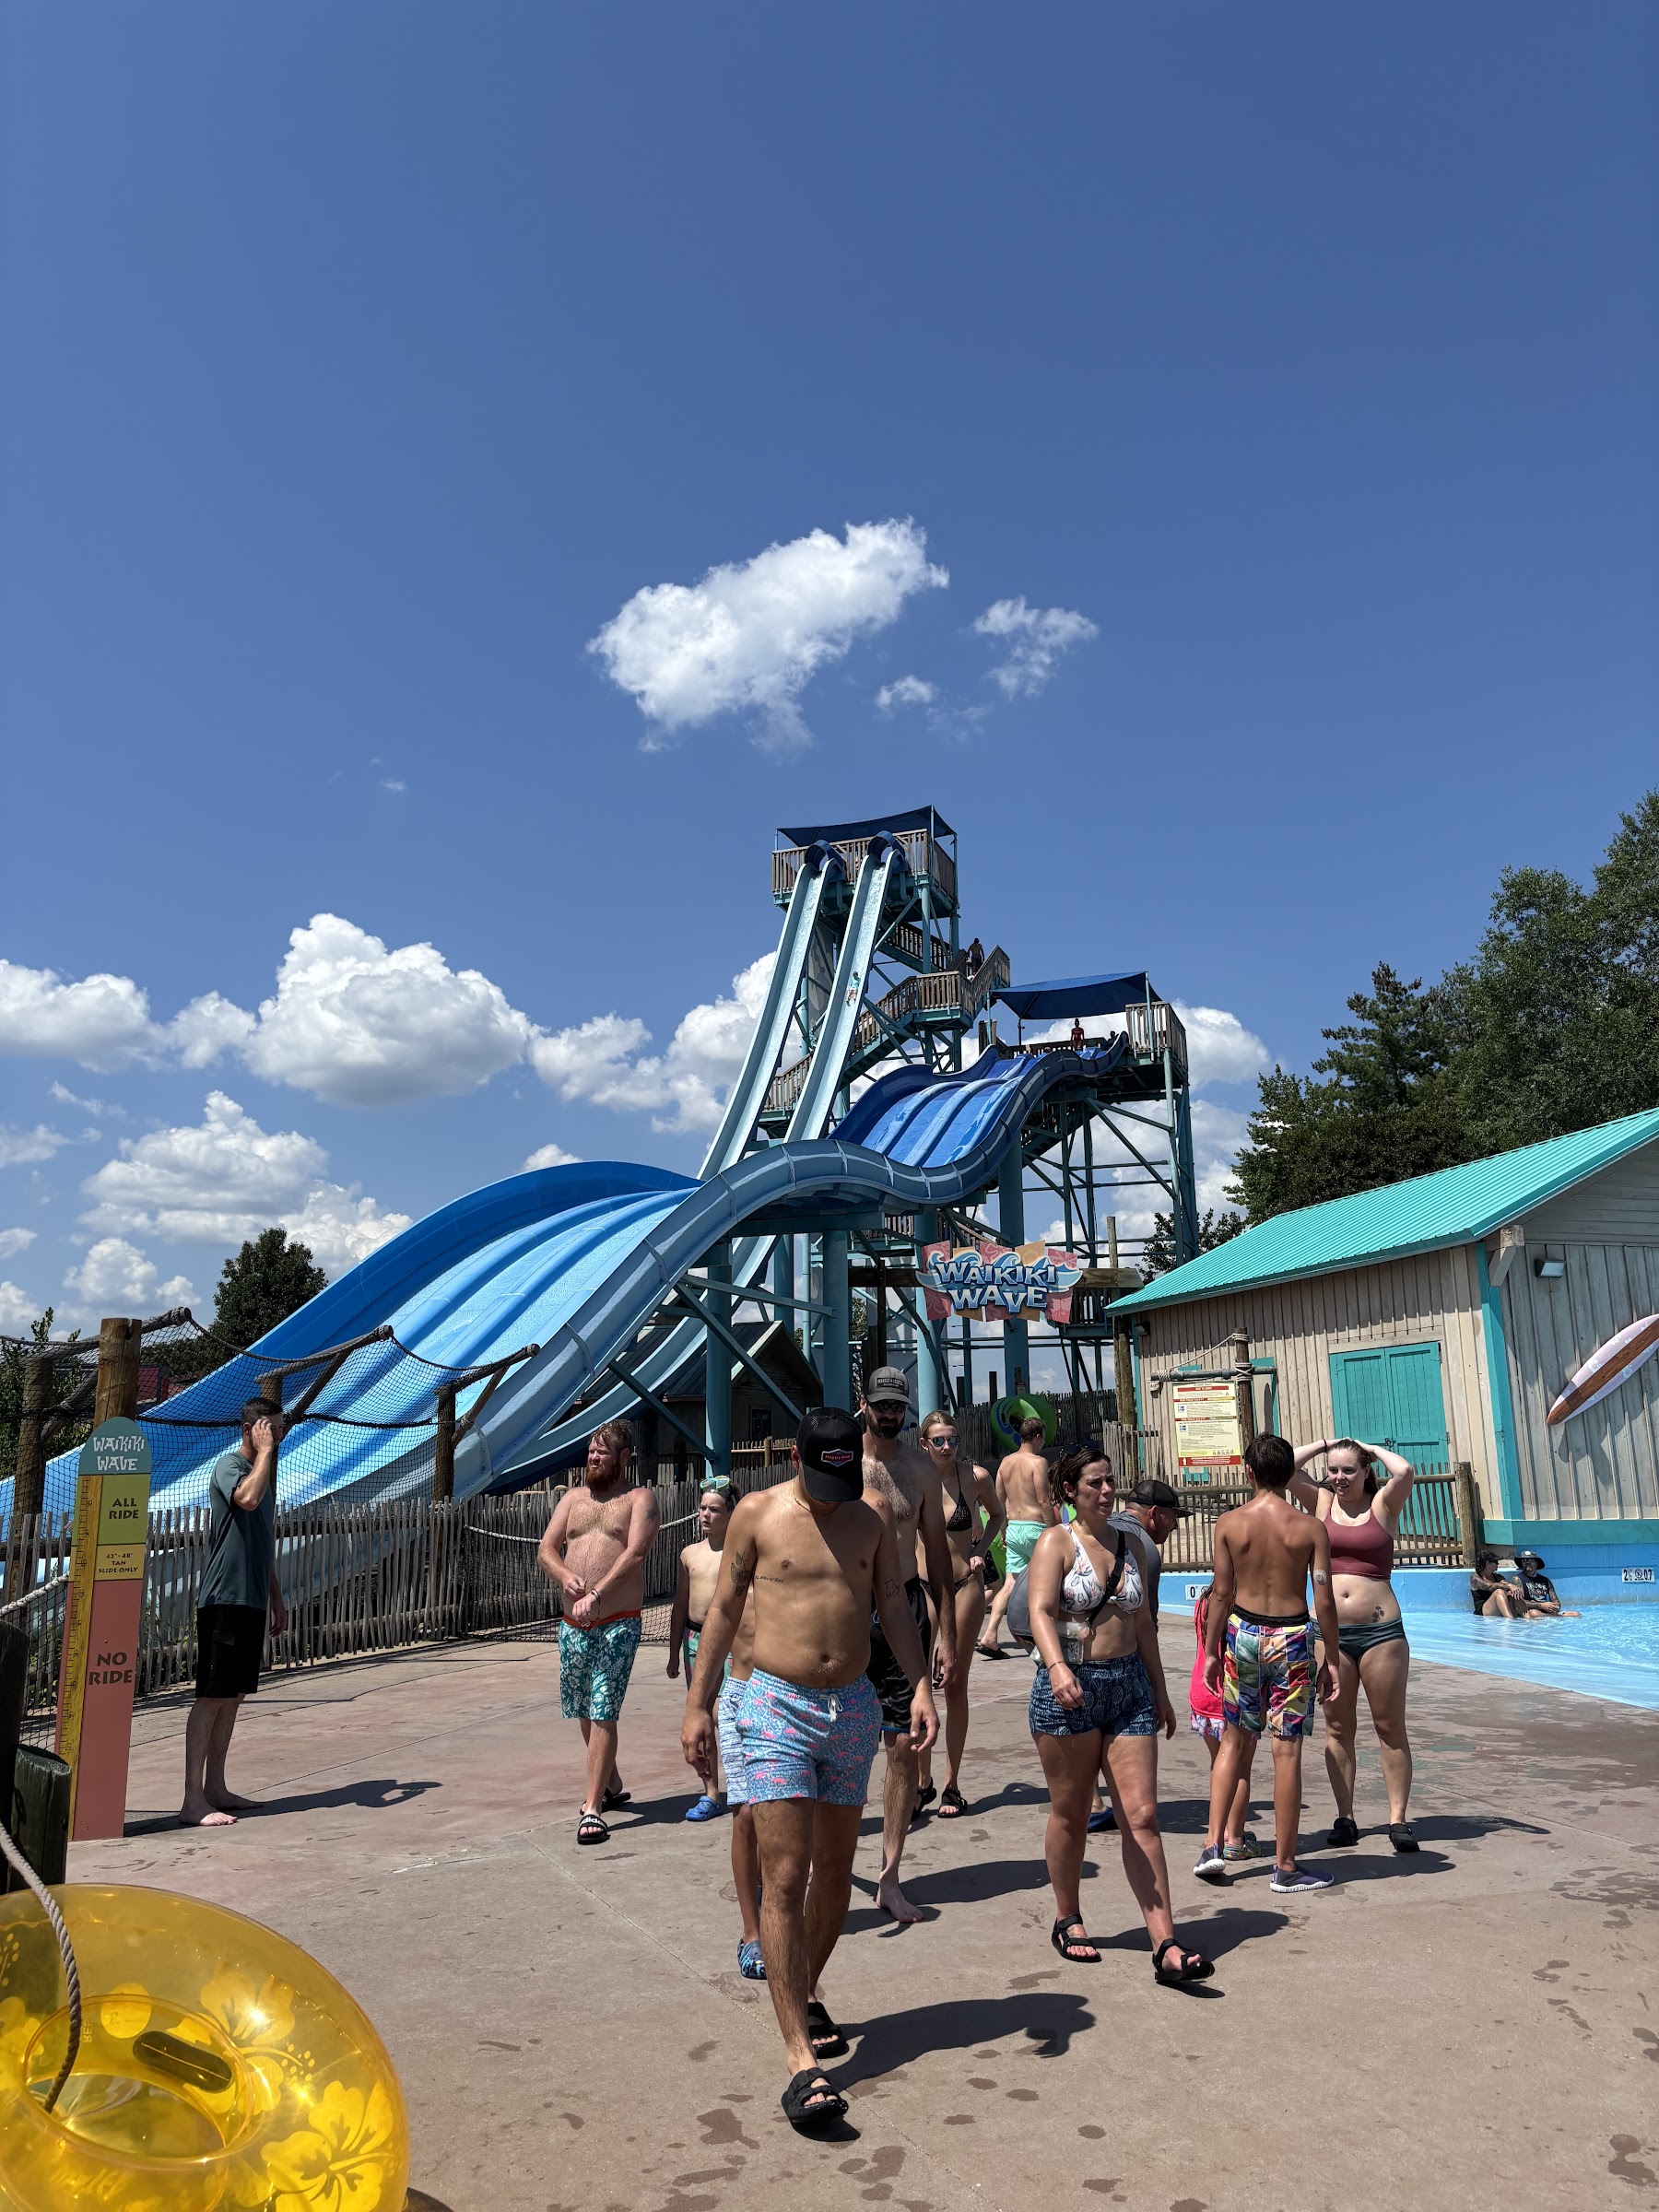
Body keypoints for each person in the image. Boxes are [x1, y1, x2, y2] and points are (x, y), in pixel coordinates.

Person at [681, 1406, 938, 2132]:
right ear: (796, 1459)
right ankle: (801, 2060)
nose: (834, 1498)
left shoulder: (872, 1514)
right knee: (787, 1875)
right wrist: (699, 1705)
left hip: (851, 1706)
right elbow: (723, 1611)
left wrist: (920, 1685)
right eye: (822, 1482)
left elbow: (892, 1605)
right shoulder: (757, 1515)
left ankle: (804, 1989)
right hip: (775, 1705)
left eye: (843, 1483)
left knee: (834, 1874)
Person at [1026, 1447, 1211, 1983]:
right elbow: (1040, 1611)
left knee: (1143, 1816)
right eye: (1095, 1483)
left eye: (1110, 1481)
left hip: (1129, 1686)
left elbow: (1144, 1624)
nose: (1106, 1491)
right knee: (1071, 1813)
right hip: (1072, 1689)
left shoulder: (1131, 1543)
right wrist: (1057, 1668)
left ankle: (1165, 1943)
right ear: (1070, 1490)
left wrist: (1161, 1691)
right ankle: (1068, 1917)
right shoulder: (1056, 1542)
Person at [1194, 1432, 1341, 1895]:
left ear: (1249, 1472)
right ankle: (1285, 1866)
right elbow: (1324, 1600)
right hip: (1292, 1638)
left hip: (1243, 1633)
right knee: (1287, 1752)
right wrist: (1332, 1659)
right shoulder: (1311, 1528)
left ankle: (1213, 1846)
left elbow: (1221, 1594)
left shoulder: (1230, 1523)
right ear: (1289, 1474)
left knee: (1233, 1741)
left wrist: (1212, 1651)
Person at [1288, 1435, 1420, 1852]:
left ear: (1365, 1472)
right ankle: (1345, 1816)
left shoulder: (1383, 1505)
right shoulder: (1322, 1503)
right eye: (1333, 1470)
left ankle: (1398, 1819)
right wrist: (1324, 1444)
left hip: (1382, 1634)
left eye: (1348, 1470)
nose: (1339, 1477)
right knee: (1338, 1727)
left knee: (1389, 1727)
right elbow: (1286, 1468)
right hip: (1330, 1636)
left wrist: (1372, 1448)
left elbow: (1405, 1471)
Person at [859, 1367, 957, 1921]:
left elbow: (937, 1554)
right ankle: (823, 1858)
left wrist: (948, 1635)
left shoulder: (921, 1469)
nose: (890, 1415)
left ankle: (890, 1874)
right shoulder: (843, 1461)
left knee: (903, 1746)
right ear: (864, 1404)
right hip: (852, 1611)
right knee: (842, 1740)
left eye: (898, 1407)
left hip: (908, 1609)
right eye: (882, 1406)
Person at [536, 1420, 660, 1845]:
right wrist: (564, 1575)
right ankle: (611, 1780)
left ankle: (593, 1807)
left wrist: (597, 1594)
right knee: (584, 1710)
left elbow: (637, 1552)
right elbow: (546, 1549)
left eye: (602, 1452)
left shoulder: (640, 1499)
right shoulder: (572, 1498)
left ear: (624, 1458)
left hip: (617, 1622)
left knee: (604, 1706)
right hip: (572, 1625)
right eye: (591, 1450)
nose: (593, 1457)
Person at [181, 1396, 289, 1827]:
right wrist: (263, 1454)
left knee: (234, 1695)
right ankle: (192, 1800)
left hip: (252, 1598)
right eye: (272, 1429)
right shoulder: (231, 1466)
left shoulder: (263, 1474)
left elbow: (261, 1538)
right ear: (250, 1429)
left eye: (280, 1429)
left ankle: (216, 1788)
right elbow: (245, 1500)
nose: (278, 1436)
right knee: (211, 1696)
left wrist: (275, 1595)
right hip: (224, 1597)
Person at [914, 1407, 1004, 1817]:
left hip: (964, 1585)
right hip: (922, 1588)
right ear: (924, 1444)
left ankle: (951, 1784)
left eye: (952, 1439)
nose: (947, 1446)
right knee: (918, 1683)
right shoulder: (913, 1479)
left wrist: (980, 1549)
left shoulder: (975, 1477)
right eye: (939, 1441)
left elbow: (998, 1515)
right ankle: (922, 1782)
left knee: (956, 1684)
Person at [667, 1478, 736, 1821]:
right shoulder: (689, 1555)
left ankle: (741, 1786)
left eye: (714, 1510)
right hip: (695, 1640)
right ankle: (710, 1792)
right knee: (702, 1715)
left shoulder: (741, 1553)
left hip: (733, 1640)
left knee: (728, 1713)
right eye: (702, 1508)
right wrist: (672, 1653)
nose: (705, 1515)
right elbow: (680, 1606)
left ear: (731, 1513)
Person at [1188, 1590, 1264, 1860]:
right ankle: (1235, 1838)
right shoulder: (1245, 1604)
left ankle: (1217, 1834)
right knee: (1241, 1768)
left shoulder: (1204, 1601)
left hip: (1203, 1693)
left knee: (1219, 1763)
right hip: (1233, 1694)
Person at [979, 1413, 1054, 1656]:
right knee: (1048, 1583)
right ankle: (1045, 1638)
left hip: (1014, 1529)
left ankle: (990, 1635)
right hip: (1036, 1528)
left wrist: (1003, 1531)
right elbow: (1044, 1501)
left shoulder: (1005, 1463)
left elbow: (998, 1504)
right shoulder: (1038, 1463)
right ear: (1037, 1437)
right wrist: (1054, 1532)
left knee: (1010, 1583)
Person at [1512, 1549, 1581, 1617]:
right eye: (1524, 1560)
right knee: (1534, 1613)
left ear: (1536, 1563)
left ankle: (1554, 1617)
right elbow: (1519, 1602)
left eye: (1531, 1560)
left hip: (1547, 1612)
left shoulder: (1545, 1580)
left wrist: (1556, 1607)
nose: (1527, 1562)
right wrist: (1541, 1605)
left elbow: (1556, 1601)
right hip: (1531, 1612)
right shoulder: (1517, 1579)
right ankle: (1555, 1617)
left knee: (1575, 1614)